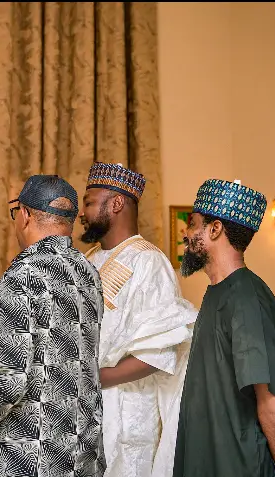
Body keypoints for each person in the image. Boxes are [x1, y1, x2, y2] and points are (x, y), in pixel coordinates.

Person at [0, 175, 107, 477]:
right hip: (83, 455)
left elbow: (9, 382)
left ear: (26, 215)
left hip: (32, 459)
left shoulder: (21, 277)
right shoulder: (88, 272)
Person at [79, 162, 197, 477]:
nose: (82, 213)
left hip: (127, 414)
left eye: (89, 203)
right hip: (84, 411)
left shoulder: (149, 262)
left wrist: (91, 378)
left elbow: (159, 354)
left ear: (116, 203)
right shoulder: (88, 259)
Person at [173, 179, 275, 477]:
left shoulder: (246, 298)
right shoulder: (219, 292)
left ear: (215, 229)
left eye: (192, 224)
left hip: (239, 465)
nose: (186, 233)